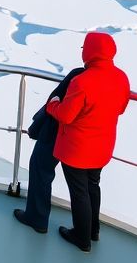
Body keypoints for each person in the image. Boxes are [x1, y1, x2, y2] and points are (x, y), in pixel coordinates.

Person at [48, 31, 130, 252]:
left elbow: (66, 115)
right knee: (93, 186)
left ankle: (81, 237)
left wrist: (52, 104)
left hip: (76, 149)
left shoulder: (82, 81)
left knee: (79, 193)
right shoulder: (121, 77)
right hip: (102, 147)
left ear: (91, 52)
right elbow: (120, 108)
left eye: (84, 48)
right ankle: (94, 231)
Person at [12, 65, 84, 234]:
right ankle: (89, 232)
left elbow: (57, 101)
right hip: (86, 140)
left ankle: (37, 218)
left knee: (40, 169)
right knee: (86, 185)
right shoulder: (115, 79)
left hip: (56, 132)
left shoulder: (79, 76)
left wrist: (52, 106)